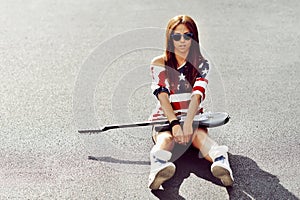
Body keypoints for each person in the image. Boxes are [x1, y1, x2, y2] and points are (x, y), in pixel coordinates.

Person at [148, 15, 234, 190]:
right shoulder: (158, 63)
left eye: (188, 36)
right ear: (169, 38)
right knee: (166, 139)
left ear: (194, 38)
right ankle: (159, 167)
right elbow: (162, 96)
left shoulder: (202, 64)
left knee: (200, 136)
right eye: (176, 36)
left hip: (193, 119)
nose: (182, 41)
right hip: (166, 119)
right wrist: (175, 124)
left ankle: (221, 162)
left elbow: (197, 94)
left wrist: (188, 123)